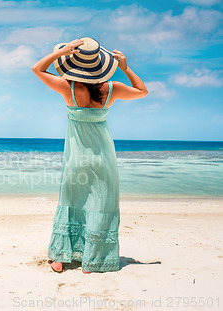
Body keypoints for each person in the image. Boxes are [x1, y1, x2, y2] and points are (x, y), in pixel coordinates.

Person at [31, 37, 148, 273]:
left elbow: (37, 69)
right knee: (101, 203)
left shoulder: (68, 88)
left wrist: (59, 52)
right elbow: (142, 91)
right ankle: (92, 260)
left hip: (76, 156)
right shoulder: (111, 89)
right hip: (103, 156)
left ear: (74, 65)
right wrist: (125, 68)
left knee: (72, 202)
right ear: (99, 66)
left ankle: (60, 258)